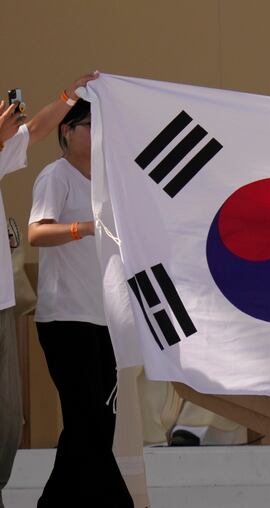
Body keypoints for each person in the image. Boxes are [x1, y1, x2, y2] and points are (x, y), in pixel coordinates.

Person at [28, 99, 132, 507]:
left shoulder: (105, 181)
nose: (95, 133)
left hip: (102, 317)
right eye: (88, 124)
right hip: (65, 319)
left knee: (96, 425)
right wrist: (82, 227)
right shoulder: (56, 176)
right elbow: (36, 233)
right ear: (67, 131)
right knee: (86, 419)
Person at [0, 71, 97, 508]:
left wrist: (69, 93)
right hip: (64, 316)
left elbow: (36, 128)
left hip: (3, 306)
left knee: (7, 419)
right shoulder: (56, 177)